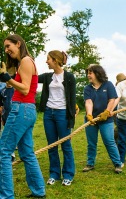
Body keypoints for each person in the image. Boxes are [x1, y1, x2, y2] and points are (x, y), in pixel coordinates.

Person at [0, 34, 45, 198]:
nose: (6, 50)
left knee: (3, 152)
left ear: (18, 43)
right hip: (28, 110)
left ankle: (6, 195)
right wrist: (9, 79)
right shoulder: (24, 62)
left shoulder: (26, 61)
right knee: (26, 153)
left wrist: (7, 79)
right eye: (5, 47)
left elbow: (25, 89)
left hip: (21, 109)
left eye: (8, 46)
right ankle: (39, 190)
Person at [38, 50, 76, 186]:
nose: (46, 61)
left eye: (48, 59)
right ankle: (54, 173)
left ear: (55, 60)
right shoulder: (48, 77)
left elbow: (72, 99)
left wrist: (71, 118)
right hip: (49, 113)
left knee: (66, 145)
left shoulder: (69, 77)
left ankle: (68, 174)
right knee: (52, 145)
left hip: (62, 114)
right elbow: (32, 76)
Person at [83, 64, 122, 174]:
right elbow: (88, 102)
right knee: (91, 143)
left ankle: (117, 164)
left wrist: (107, 111)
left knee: (109, 141)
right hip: (91, 120)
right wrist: (89, 115)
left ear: (97, 73)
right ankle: (90, 163)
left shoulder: (108, 85)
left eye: (90, 73)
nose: (88, 75)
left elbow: (112, 100)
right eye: (88, 73)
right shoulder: (87, 88)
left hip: (106, 119)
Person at [0, 82, 16, 161]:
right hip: (5, 116)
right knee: (5, 135)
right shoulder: (3, 91)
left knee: (12, 135)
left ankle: (11, 154)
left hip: (15, 116)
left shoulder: (15, 90)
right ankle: (9, 155)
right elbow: (1, 105)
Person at [114, 73, 126, 143]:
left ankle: (118, 141)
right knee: (119, 126)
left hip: (123, 109)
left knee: (121, 126)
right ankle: (115, 140)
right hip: (115, 110)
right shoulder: (116, 88)